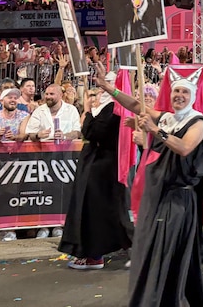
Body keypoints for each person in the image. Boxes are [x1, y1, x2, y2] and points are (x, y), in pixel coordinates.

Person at [101, 66, 203, 306]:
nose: (179, 95)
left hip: (178, 201)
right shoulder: (167, 117)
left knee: (167, 253)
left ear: (192, 96)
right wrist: (111, 89)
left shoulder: (197, 123)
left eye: (184, 91)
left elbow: (184, 148)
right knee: (159, 251)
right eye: (175, 91)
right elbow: (137, 106)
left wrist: (155, 131)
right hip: (160, 196)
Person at [58, 78, 134, 270]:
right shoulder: (113, 110)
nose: (94, 97)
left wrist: (88, 111)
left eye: (97, 93)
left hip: (100, 168)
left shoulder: (111, 110)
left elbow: (91, 132)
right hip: (102, 165)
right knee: (109, 210)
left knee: (96, 211)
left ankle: (94, 255)